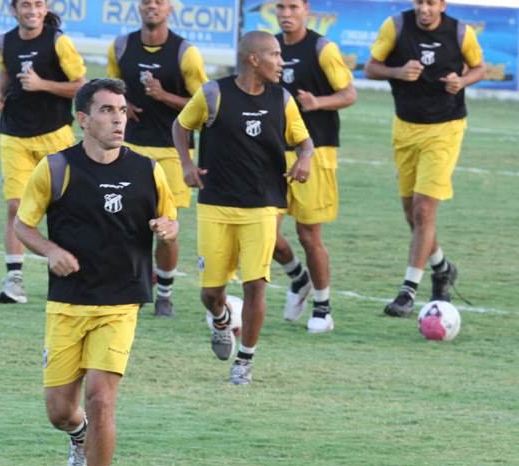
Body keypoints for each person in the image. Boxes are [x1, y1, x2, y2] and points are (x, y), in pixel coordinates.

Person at [14, 78, 178, 466]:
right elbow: (24, 225)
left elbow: (170, 225)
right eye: (106, 110)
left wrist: (169, 233)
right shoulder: (56, 168)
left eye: (122, 110)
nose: (118, 119)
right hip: (67, 304)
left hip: (121, 301)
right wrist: (50, 251)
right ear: (83, 119)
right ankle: (77, 433)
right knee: (59, 412)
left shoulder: (149, 171)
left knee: (102, 399)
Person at [173, 31, 313, 385]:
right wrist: (187, 165)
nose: (282, 62)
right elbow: (180, 124)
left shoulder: (282, 99)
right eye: (276, 55)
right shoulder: (213, 94)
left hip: (264, 205)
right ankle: (221, 320)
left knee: (256, 286)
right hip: (216, 205)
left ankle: (244, 362)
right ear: (254, 59)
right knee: (211, 293)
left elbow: (304, 140)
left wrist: (305, 158)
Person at [364, 0, 484, 317]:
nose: (424, 8)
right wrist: (398, 72)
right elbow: (370, 68)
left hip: (445, 129)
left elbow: (480, 68)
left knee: (423, 207)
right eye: (419, 1)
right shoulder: (396, 27)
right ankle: (442, 268)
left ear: (442, 4)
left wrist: (463, 81)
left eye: (431, 2)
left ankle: (408, 292)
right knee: (411, 214)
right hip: (404, 128)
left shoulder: (460, 32)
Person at [107, 0, 208, 317]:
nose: (152, 5)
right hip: (130, 150)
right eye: (146, 1)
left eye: (159, 2)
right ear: (138, 7)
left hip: (172, 153)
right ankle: (135, 286)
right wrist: (123, 104)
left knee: (166, 228)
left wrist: (164, 96)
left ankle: (164, 296)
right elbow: (111, 90)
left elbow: (205, 105)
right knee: (126, 224)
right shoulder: (122, 46)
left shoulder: (185, 52)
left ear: (170, 10)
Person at [0, 0, 86, 304]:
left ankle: (73, 273)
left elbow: (80, 87)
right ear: (13, 10)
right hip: (13, 135)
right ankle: (14, 279)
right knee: (15, 206)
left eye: (38, 5)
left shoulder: (59, 42)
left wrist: (42, 84)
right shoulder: (4, 41)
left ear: (45, 10)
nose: (32, 10)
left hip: (54, 134)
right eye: (26, 5)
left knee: (65, 207)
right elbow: (6, 71)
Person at [273, 0, 357, 332]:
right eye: (280, 6)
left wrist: (318, 102)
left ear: (306, 9)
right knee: (264, 232)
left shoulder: (322, 48)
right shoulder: (269, 47)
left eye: (293, 6)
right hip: (274, 153)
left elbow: (349, 93)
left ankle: (322, 308)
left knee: (309, 235)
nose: (286, 13)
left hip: (316, 152)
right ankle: (298, 277)